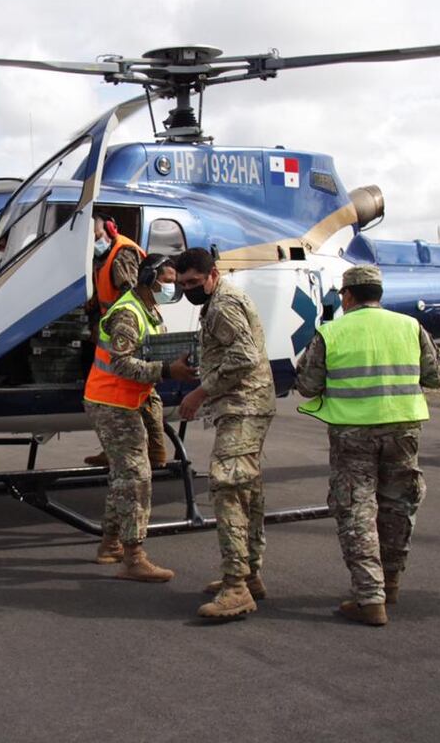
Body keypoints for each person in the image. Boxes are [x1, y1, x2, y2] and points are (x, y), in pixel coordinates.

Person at [294, 265, 440, 627]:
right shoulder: (410, 326)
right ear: (379, 293)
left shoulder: (331, 332)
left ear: (346, 296)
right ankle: (391, 583)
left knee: (357, 509)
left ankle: (369, 596)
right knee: (397, 505)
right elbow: (437, 377)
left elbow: (307, 385)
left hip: (353, 434)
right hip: (403, 428)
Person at [175, 248, 277, 621]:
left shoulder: (222, 305)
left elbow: (245, 356)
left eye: (194, 282)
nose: (188, 289)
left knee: (227, 487)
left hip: (243, 406)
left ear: (211, 275)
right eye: (183, 283)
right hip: (245, 404)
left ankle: (237, 587)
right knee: (247, 488)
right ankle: (249, 575)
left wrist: (201, 391)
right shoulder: (220, 300)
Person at [83, 253, 196, 580]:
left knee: (124, 475)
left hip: (128, 401)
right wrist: (166, 370)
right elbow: (121, 364)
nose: (171, 288)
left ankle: (110, 544)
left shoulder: (148, 309)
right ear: (148, 279)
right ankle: (133, 557)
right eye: (167, 281)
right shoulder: (128, 315)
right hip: (112, 402)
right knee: (136, 477)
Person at [83, 213, 169, 469]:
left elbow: (131, 291)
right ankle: (119, 445)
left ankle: (153, 450)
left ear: (109, 228)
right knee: (140, 390)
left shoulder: (122, 254)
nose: (94, 240)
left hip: (128, 328)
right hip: (119, 324)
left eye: (96, 234)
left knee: (144, 391)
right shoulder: (102, 256)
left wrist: (119, 323)